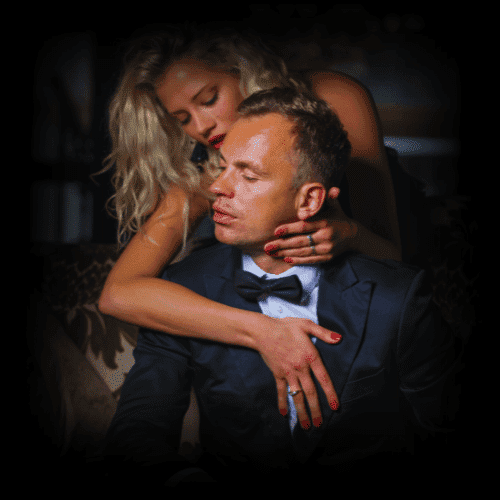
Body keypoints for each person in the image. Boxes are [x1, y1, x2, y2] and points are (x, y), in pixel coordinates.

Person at [101, 88, 461, 485]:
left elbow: (445, 434)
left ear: (309, 201)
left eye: (248, 175)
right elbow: (136, 436)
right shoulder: (181, 291)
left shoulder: (398, 298)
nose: (218, 187)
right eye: (222, 167)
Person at [98, 29, 404, 417]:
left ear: (242, 70)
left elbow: (395, 259)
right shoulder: (201, 179)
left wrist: (351, 234)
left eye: (209, 99)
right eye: (183, 119)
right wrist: (261, 330)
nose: (201, 126)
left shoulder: (335, 97)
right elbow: (118, 293)